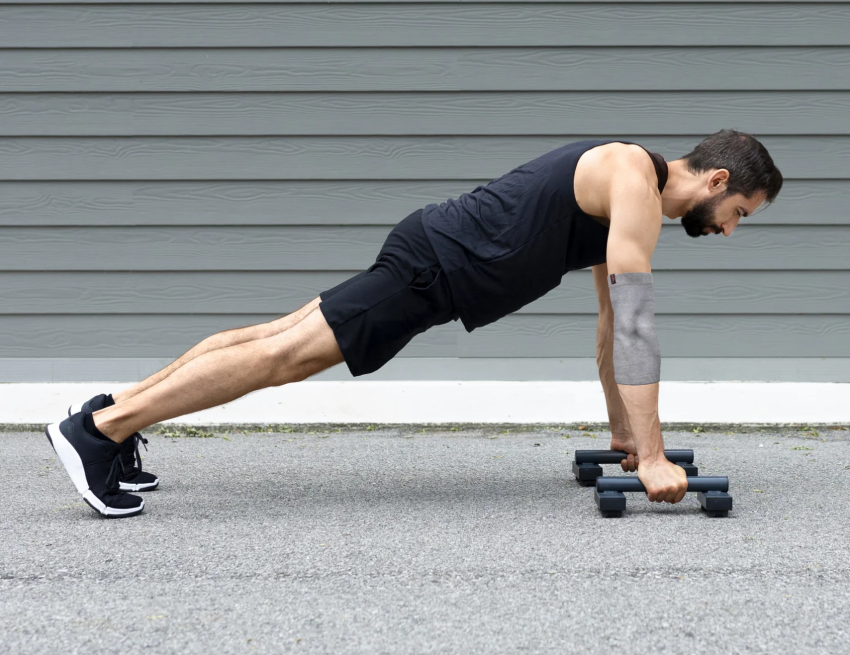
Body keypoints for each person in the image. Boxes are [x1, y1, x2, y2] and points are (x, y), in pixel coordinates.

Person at [46, 129, 783, 518]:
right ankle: (99, 433)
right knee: (286, 357)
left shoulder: (633, 198)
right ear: (716, 180)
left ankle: (108, 418)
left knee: (275, 337)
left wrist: (625, 434)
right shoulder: (632, 175)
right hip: (439, 264)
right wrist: (654, 461)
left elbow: (605, 327)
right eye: (738, 215)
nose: (728, 231)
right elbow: (634, 326)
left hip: (437, 254)